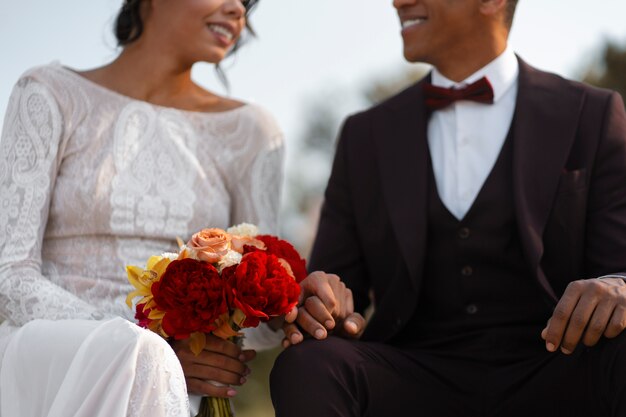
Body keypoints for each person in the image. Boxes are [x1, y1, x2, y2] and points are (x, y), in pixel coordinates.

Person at [270, 0, 626, 416]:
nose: (399, 2)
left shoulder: (591, 114)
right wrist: (319, 301)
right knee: (308, 364)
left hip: (557, 366)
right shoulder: (365, 135)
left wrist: (619, 284)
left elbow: (619, 270)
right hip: (413, 377)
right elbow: (330, 287)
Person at [0, 0, 316, 415]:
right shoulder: (48, 94)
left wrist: (283, 312)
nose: (238, 10)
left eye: (246, 1)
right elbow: (10, 275)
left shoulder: (251, 131)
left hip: (185, 368)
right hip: (47, 352)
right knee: (148, 362)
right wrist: (152, 343)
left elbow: (256, 330)